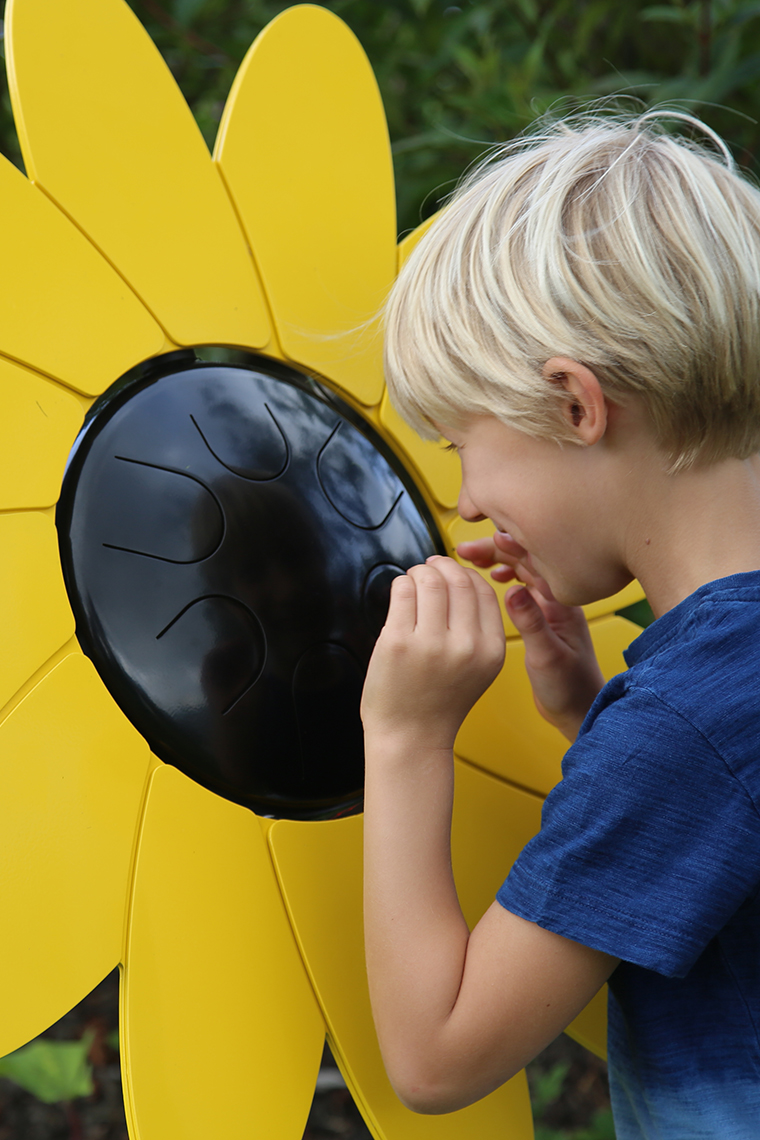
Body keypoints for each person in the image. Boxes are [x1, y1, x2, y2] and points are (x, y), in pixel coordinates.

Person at [360, 110, 760, 1139]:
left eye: (460, 445)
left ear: (575, 405)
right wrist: (590, 713)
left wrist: (404, 740)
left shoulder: (684, 723)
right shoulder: (714, 698)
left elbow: (438, 1054)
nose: (464, 505)